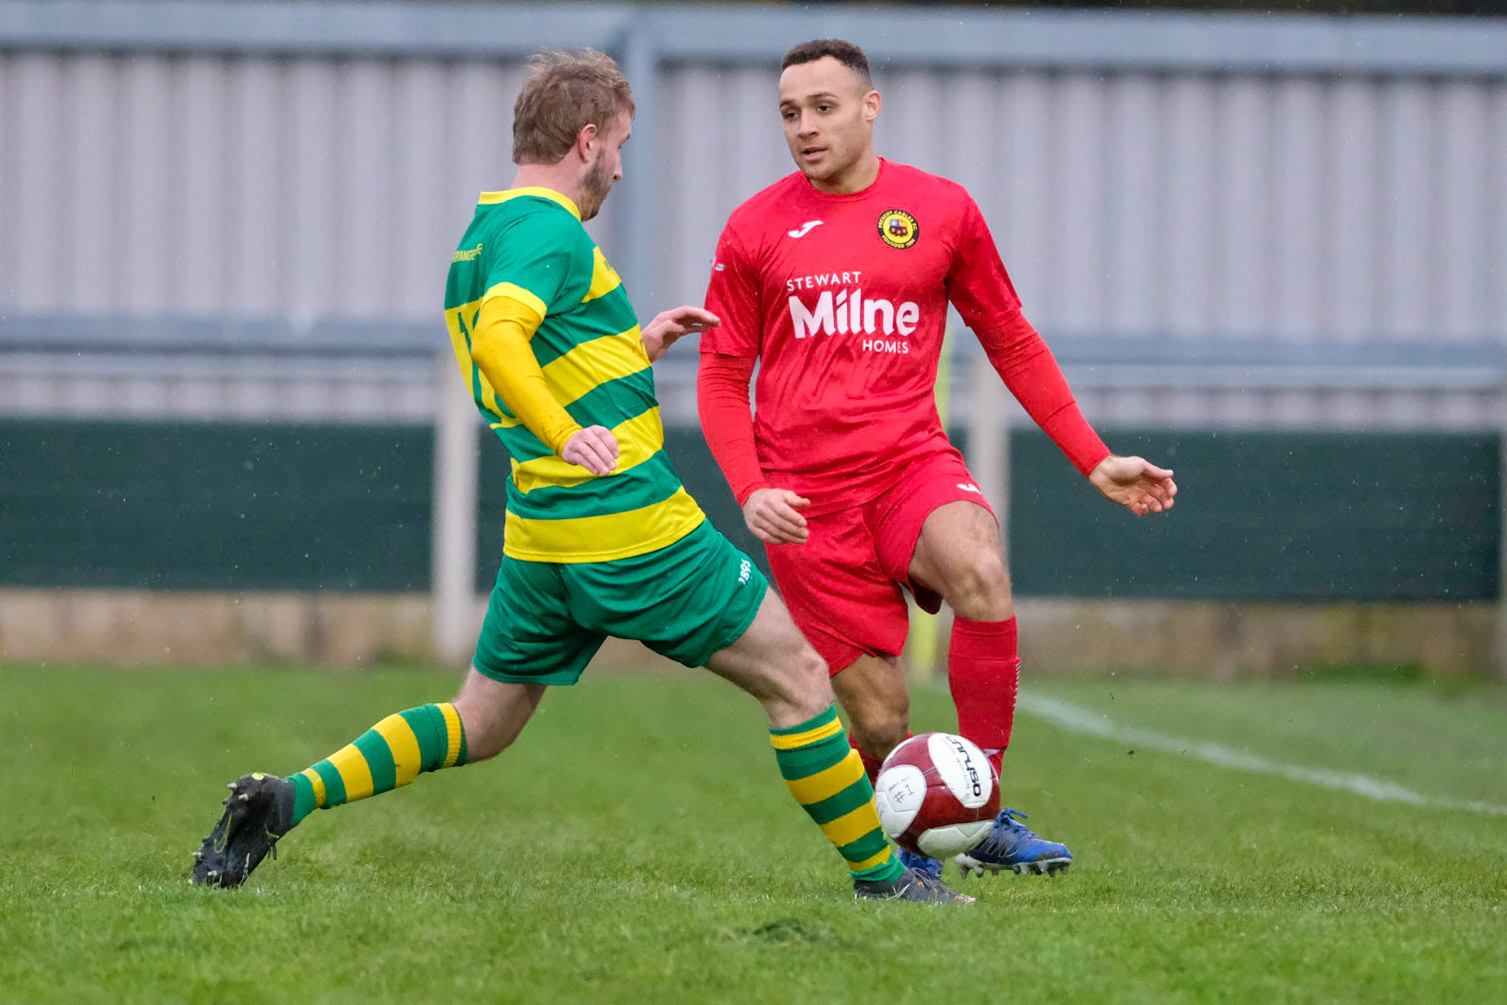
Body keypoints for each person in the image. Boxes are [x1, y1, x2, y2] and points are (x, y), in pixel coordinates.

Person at [189, 48, 970, 904]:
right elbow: (500, 340)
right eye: (620, 146)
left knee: (479, 722)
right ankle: (886, 878)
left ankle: (283, 799)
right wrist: (568, 432)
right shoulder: (549, 227)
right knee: (801, 678)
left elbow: (527, 348)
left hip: (543, 534)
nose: (622, 167)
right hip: (627, 525)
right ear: (586, 139)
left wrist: (631, 348)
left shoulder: (483, 232)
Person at [690, 39, 1178, 881]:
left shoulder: (940, 209)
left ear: (870, 107)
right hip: (806, 503)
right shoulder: (753, 229)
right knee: (880, 718)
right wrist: (751, 487)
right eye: (788, 113)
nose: (804, 127)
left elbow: (1009, 335)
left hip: (908, 464)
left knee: (980, 568)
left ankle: (981, 801)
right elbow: (722, 374)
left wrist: (1092, 458)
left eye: (823, 107)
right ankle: (911, 847)